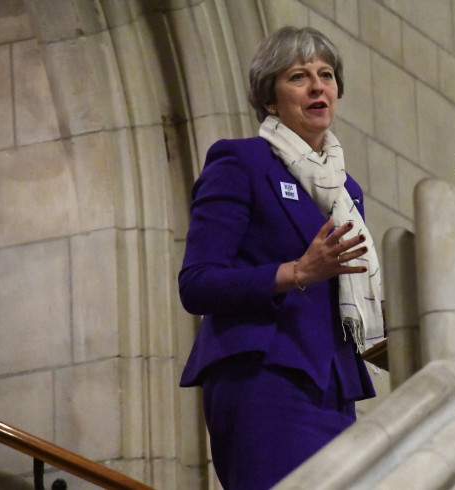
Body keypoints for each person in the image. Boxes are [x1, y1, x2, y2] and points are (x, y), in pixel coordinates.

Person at [178, 26, 384, 489]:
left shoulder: (346, 192)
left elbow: (342, 284)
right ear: (270, 100)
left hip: (334, 388)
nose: (317, 86)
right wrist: (297, 273)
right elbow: (197, 283)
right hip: (264, 378)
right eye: (298, 76)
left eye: (326, 74)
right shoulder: (241, 163)